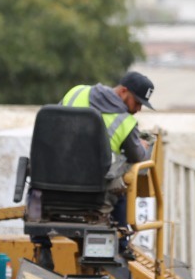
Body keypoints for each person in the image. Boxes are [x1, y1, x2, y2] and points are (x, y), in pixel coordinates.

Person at [60, 71, 156, 230]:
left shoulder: (76, 92)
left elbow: (53, 122)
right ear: (124, 91)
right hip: (93, 189)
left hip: (54, 178)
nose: (139, 109)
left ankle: (41, 241)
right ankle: (123, 244)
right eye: (137, 102)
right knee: (122, 186)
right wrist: (144, 146)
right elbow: (137, 156)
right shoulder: (125, 121)